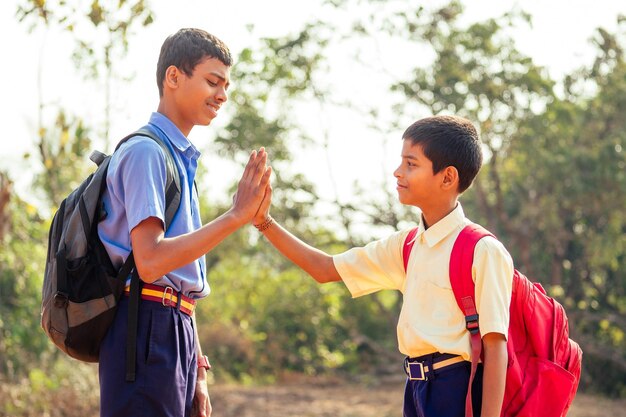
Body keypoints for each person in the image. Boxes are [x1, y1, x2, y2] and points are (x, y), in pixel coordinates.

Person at [252, 115, 513, 417]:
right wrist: (263, 222)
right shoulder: (405, 246)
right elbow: (324, 269)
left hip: (455, 389)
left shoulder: (483, 250)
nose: (397, 172)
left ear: (447, 177)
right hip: (415, 389)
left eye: (411, 164)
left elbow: (495, 349)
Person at [97, 28, 271, 417]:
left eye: (226, 85)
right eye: (212, 81)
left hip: (174, 327)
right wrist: (236, 216)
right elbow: (152, 262)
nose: (222, 95)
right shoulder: (146, 152)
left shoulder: (181, 160)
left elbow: (183, 283)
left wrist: (197, 366)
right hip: (144, 329)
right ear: (173, 77)